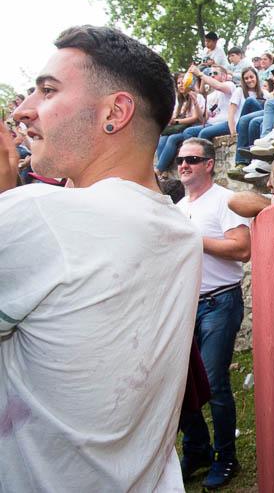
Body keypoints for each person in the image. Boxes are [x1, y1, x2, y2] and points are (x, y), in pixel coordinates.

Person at [0, 25, 202, 491]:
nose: (23, 110)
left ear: (115, 113)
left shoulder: (41, 215)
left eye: (48, 90)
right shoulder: (181, 234)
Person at [175, 137, 251, 489]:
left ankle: (226, 457)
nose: (183, 165)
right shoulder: (177, 208)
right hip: (185, 304)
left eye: (192, 159)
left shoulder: (225, 200)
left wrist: (194, 239)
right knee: (180, 383)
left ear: (209, 164)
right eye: (180, 159)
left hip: (220, 302)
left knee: (214, 382)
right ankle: (197, 450)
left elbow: (242, 249)